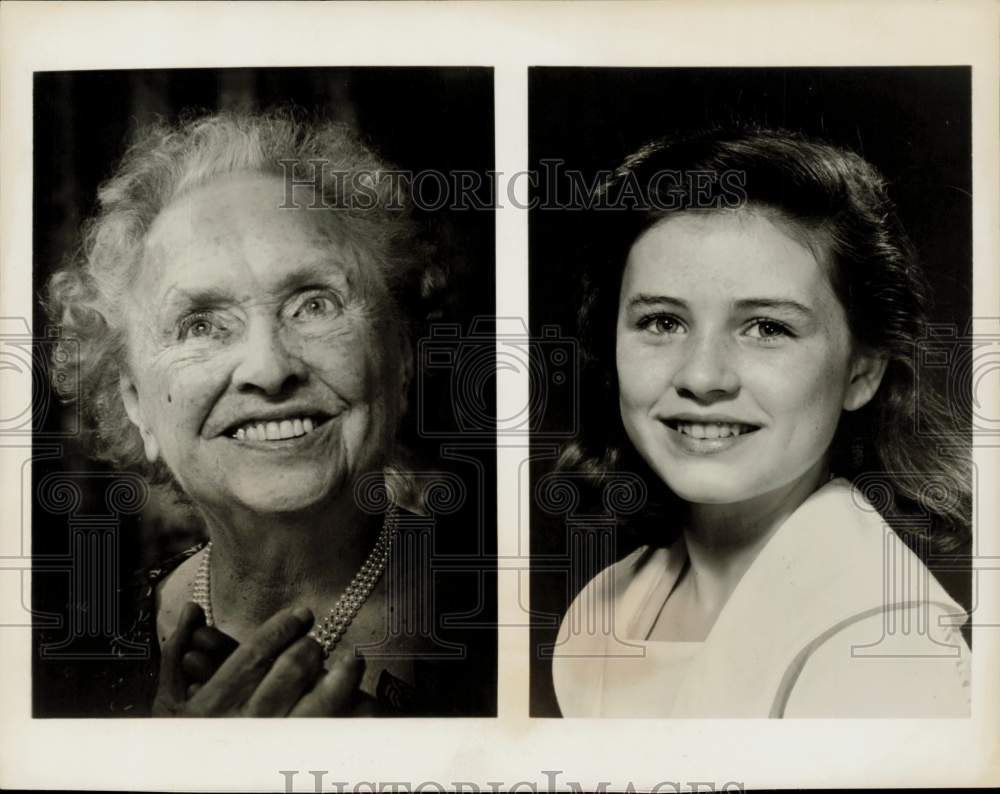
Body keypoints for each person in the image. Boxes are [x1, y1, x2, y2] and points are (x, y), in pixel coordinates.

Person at [46, 110, 481, 716]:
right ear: (137, 406)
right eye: (200, 323)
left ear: (399, 355)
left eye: (314, 303)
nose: (270, 368)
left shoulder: (525, 611)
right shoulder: (66, 662)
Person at [551, 127, 972, 718]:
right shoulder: (600, 612)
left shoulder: (892, 651)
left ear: (863, 372)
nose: (702, 376)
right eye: (662, 322)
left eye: (767, 328)